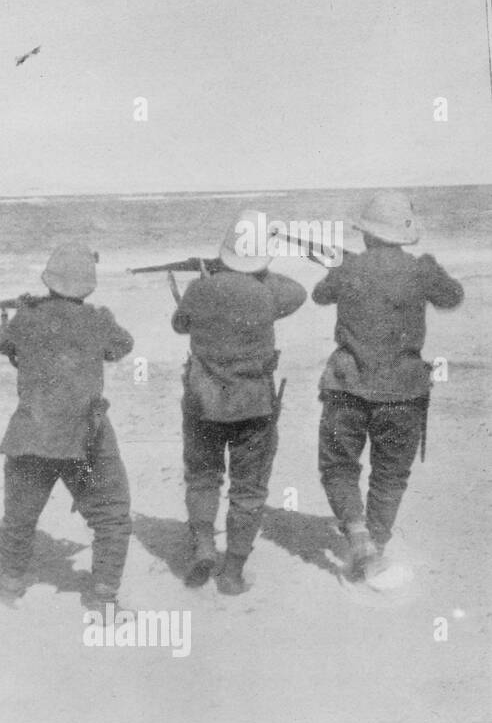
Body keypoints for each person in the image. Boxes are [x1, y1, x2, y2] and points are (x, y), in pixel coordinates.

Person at [312, 191, 463, 579]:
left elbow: (319, 295)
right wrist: (427, 267)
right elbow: (452, 297)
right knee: (391, 474)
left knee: (338, 467)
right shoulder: (422, 269)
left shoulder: (350, 268)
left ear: (367, 234)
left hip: (346, 387)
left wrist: (345, 266)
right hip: (404, 393)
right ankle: (375, 546)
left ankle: (358, 534)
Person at [0, 243, 135, 613]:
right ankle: (103, 594)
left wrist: (21, 312)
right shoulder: (97, 319)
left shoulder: (28, 318)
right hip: (85, 434)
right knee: (111, 513)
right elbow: (122, 345)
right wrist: (105, 316)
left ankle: (10, 582)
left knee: (20, 516)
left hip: (32, 430)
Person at [171, 210, 307, 594]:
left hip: (203, 403)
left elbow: (180, 324)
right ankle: (231, 573)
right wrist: (257, 272)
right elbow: (298, 292)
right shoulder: (268, 292)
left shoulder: (201, 290)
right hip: (255, 407)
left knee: (202, 477)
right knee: (249, 491)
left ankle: (202, 545)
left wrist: (211, 276)